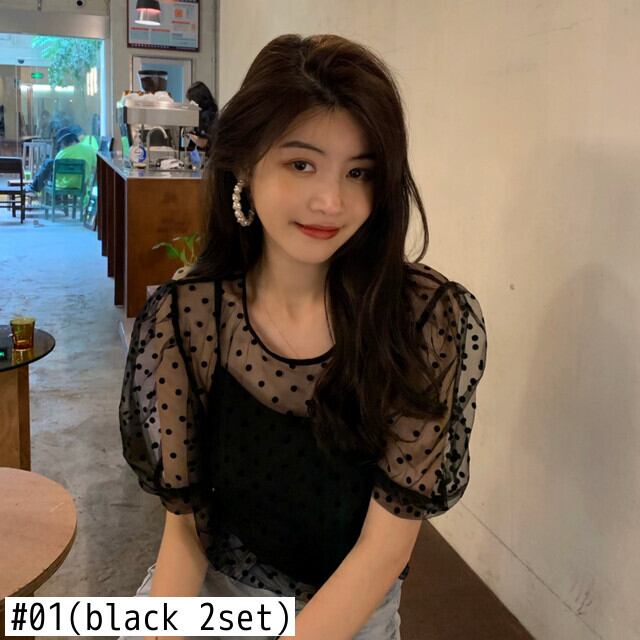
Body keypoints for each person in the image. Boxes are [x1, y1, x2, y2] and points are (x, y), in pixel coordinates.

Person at [119, 34, 488, 640]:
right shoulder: (187, 319)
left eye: (359, 172)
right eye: (301, 164)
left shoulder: (422, 322)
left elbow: (384, 549)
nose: (331, 201)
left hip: (351, 616)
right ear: (244, 162)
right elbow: (185, 532)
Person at [27, 126, 96, 209]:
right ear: (75, 138)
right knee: (50, 164)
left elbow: (56, 174)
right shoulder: (90, 149)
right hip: (82, 184)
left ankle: (35, 188)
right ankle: (36, 188)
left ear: (63, 142)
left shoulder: (61, 154)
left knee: (48, 163)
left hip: (63, 185)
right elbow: (94, 168)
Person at [185, 80, 218, 154]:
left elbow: (203, 142)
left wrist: (187, 133)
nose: (190, 103)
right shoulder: (211, 112)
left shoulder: (207, 115)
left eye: (191, 100)